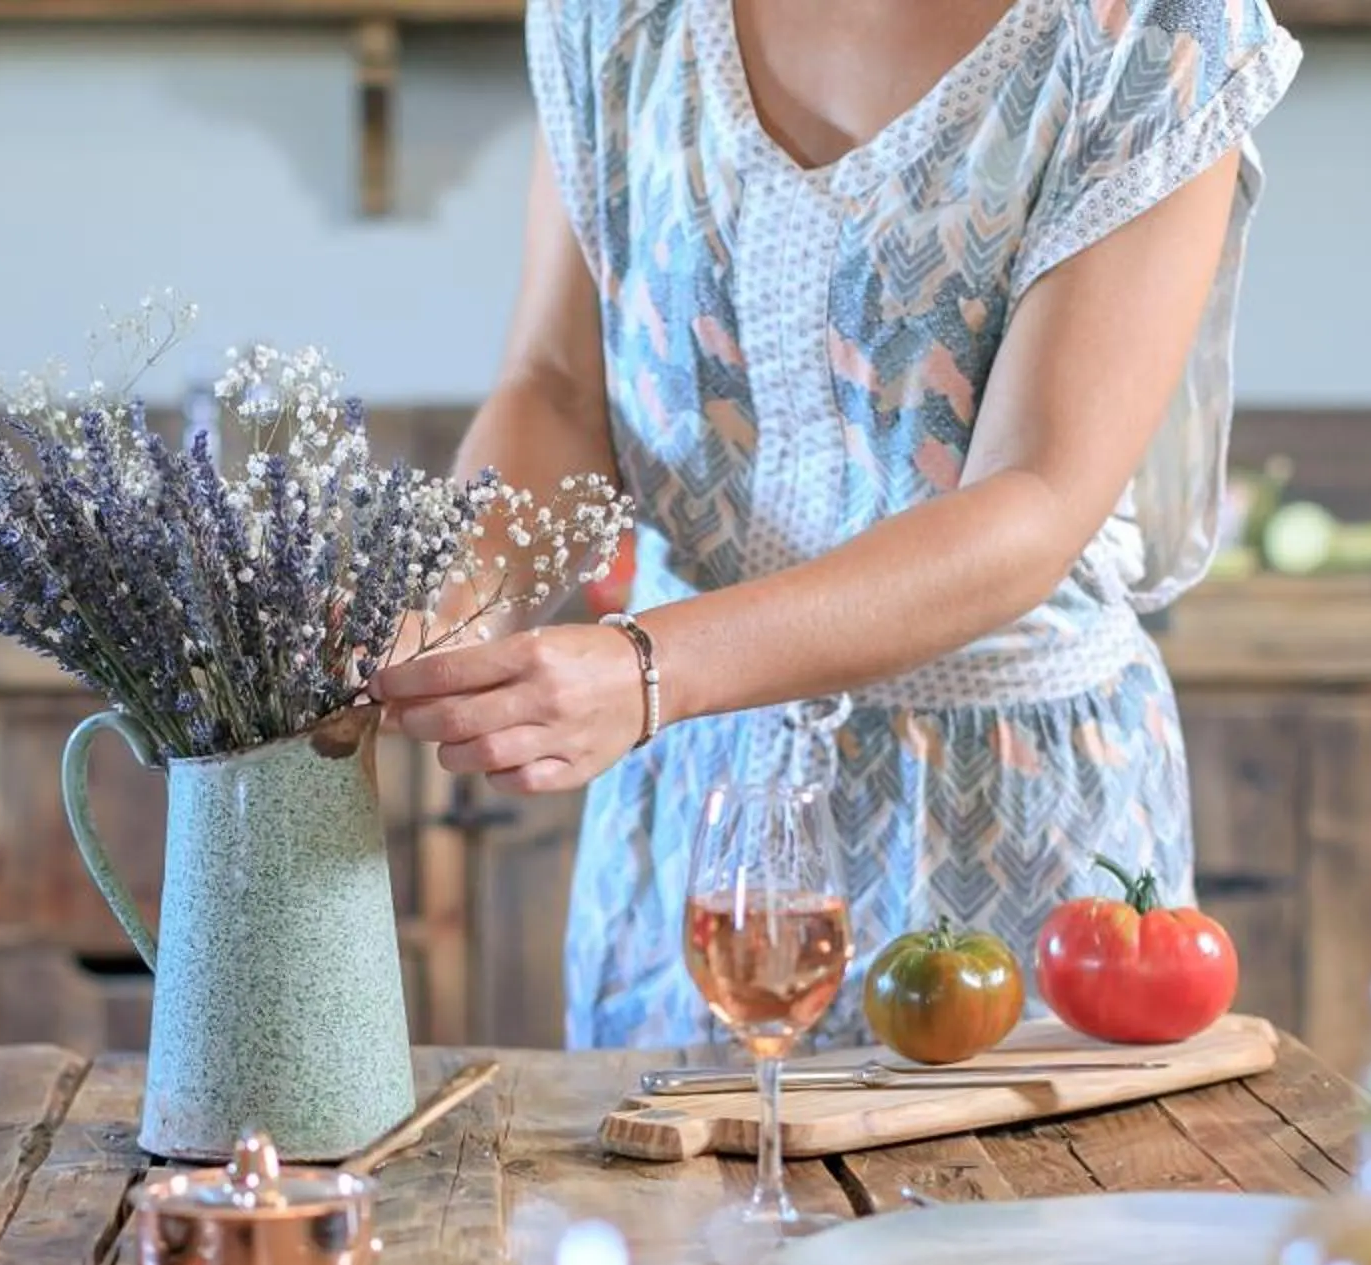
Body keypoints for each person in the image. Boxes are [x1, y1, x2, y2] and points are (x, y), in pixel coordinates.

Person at [374, 0, 1301, 1049]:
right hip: (695, 811)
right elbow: (553, 389)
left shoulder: (1152, 32)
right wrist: (445, 610)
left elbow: (1034, 500)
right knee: (684, 1202)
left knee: (1003, 1208)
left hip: (1004, 819)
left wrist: (648, 670)